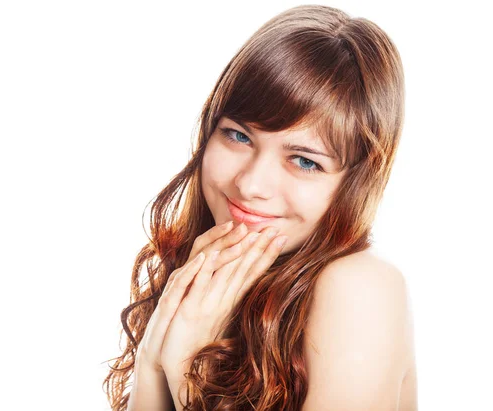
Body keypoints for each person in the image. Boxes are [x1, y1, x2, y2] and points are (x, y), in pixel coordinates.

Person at [104, 4, 416, 410]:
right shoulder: (210, 276)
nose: (250, 184)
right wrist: (152, 360)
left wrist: (185, 367)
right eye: (237, 136)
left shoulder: (359, 287)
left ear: (355, 183)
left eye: (305, 161)